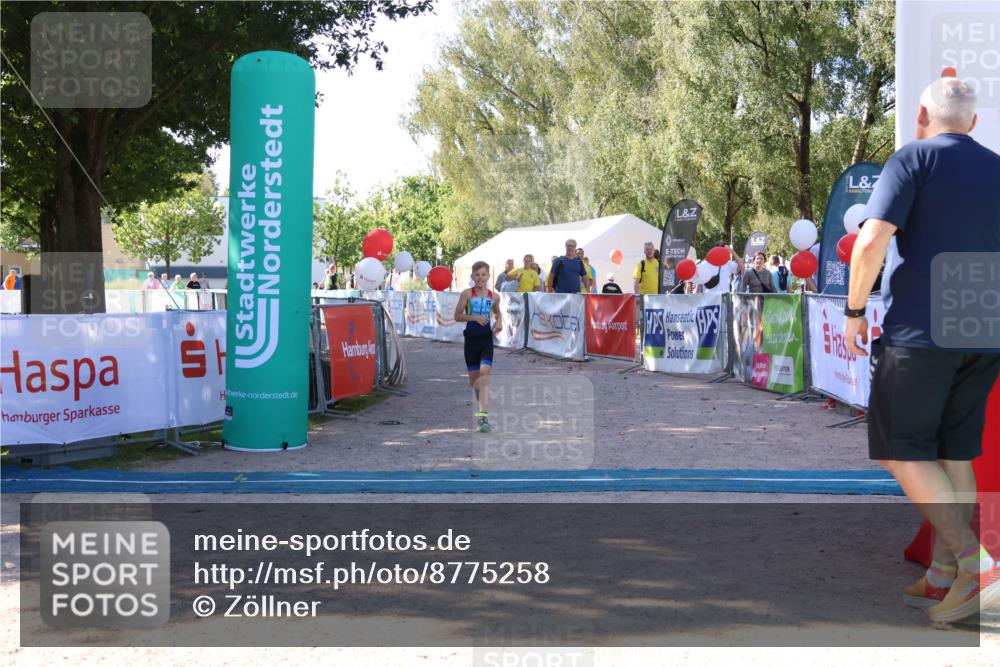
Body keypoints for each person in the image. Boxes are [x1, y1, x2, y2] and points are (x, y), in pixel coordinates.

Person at [845, 75, 1000, 623]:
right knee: (953, 453)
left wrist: (854, 311)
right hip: (984, 332)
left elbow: (870, 239)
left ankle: (975, 564)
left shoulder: (911, 159)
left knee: (900, 451)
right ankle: (946, 573)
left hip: (921, 333)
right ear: (974, 122)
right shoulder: (998, 166)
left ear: (921, 114)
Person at [454, 261, 502, 433]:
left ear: (488, 276)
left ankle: (483, 418)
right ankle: (480, 398)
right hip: (471, 341)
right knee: (475, 382)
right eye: (477, 275)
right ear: (472, 276)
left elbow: (497, 312)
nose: (480, 278)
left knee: (485, 375)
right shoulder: (467, 294)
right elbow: (457, 316)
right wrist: (474, 318)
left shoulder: (495, 296)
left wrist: (499, 321)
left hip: (486, 340)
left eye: (483, 275)